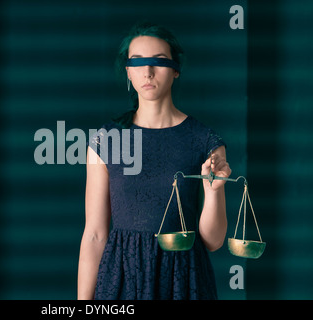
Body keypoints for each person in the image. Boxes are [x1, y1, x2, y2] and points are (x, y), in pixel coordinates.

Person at [77, 21, 232, 300]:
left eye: (158, 62)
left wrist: (213, 192)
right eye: (138, 63)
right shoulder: (106, 139)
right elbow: (95, 235)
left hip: (184, 276)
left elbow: (213, 240)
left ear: (175, 70)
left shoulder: (206, 141)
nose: (147, 72)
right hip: (122, 276)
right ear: (128, 72)